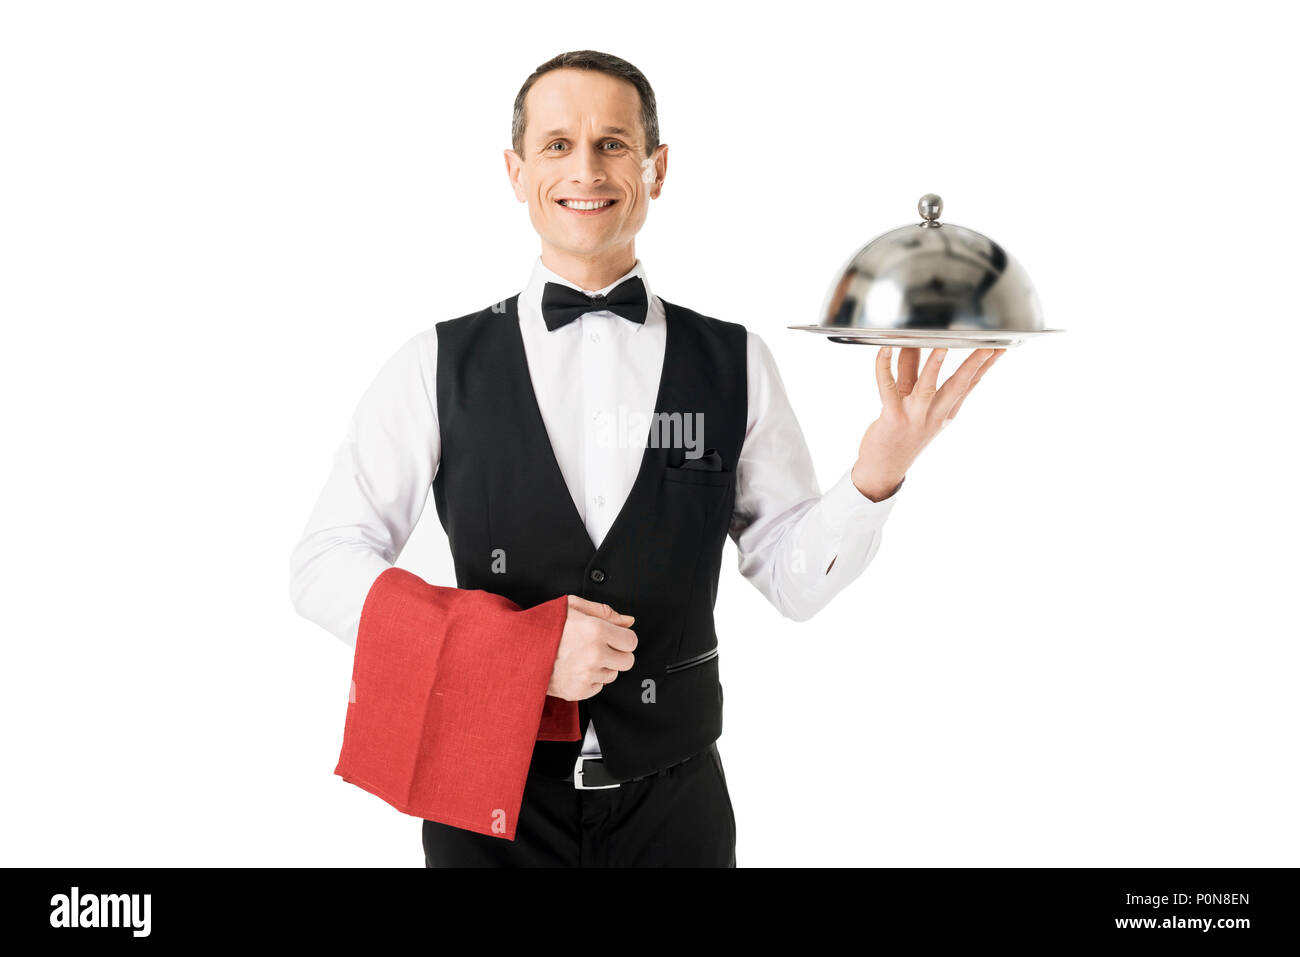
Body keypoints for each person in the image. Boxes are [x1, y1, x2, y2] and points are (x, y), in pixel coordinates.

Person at [289, 49, 1003, 867]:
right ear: (515, 172)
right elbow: (321, 566)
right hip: (487, 808)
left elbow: (793, 582)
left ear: (657, 169)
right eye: (556, 145)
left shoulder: (735, 361)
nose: (585, 168)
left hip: (679, 813)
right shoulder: (432, 362)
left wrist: (880, 468)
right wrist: (517, 655)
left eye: (614, 143)